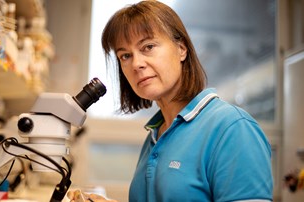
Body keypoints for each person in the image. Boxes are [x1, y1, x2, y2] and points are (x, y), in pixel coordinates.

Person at [68, 0, 273, 201]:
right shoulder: (157, 134)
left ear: (181, 49)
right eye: (125, 56)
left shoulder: (232, 128)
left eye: (148, 46)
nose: (136, 64)